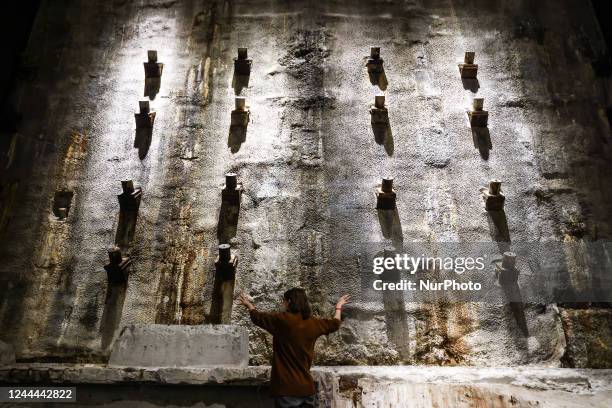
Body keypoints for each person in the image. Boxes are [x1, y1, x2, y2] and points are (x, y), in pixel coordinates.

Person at [238, 288, 350, 408]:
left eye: (284, 301)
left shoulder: (281, 320)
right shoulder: (313, 323)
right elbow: (335, 323)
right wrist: (338, 307)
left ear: (289, 301)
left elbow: (258, 318)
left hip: (286, 389)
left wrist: (249, 306)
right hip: (307, 389)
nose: (283, 303)